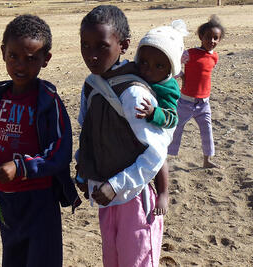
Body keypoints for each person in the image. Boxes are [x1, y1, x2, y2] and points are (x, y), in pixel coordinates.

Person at [0, 14, 80, 267]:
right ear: (3, 53)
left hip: (39, 199)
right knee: (14, 255)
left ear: (46, 60)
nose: (21, 65)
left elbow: (60, 152)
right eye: (14, 56)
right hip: (6, 199)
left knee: (43, 259)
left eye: (31, 59)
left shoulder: (47, 101)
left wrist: (21, 167)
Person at [76, 5, 173, 267]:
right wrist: (83, 171)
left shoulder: (134, 94)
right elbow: (88, 133)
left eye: (101, 46)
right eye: (85, 45)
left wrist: (116, 185)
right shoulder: (91, 85)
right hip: (106, 198)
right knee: (113, 261)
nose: (91, 55)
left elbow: (156, 152)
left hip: (135, 200)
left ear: (124, 45)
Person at [101, 19, 188, 215]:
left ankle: (163, 193)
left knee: (159, 158)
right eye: (144, 62)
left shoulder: (168, 87)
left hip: (159, 128)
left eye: (158, 66)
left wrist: (154, 113)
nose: (148, 69)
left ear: (169, 70)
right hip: (140, 130)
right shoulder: (139, 72)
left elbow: (172, 117)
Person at [168, 15, 225, 168]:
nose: (211, 41)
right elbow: (175, 66)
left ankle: (207, 161)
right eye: (208, 37)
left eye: (215, 38)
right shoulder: (190, 53)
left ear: (219, 40)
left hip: (204, 103)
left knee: (207, 131)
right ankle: (166, 157)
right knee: (175, 129)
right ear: (201, 37)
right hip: (185, 101)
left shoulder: (215, 57)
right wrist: (182, 75)